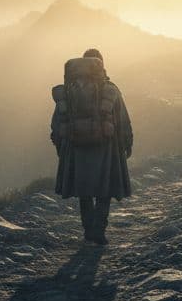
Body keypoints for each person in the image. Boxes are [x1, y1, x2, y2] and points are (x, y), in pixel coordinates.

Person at [50, 48, 133, 244]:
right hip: (106, 146)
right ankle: (99, 231)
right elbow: (122, 120)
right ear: (101, 65)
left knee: (84, 192)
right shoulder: (110, 90)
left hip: (77, 148)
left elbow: (57, 122)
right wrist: (127, 143)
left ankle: (88, 230)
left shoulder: (69, 91)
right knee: (104, 191)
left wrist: (61, 146)